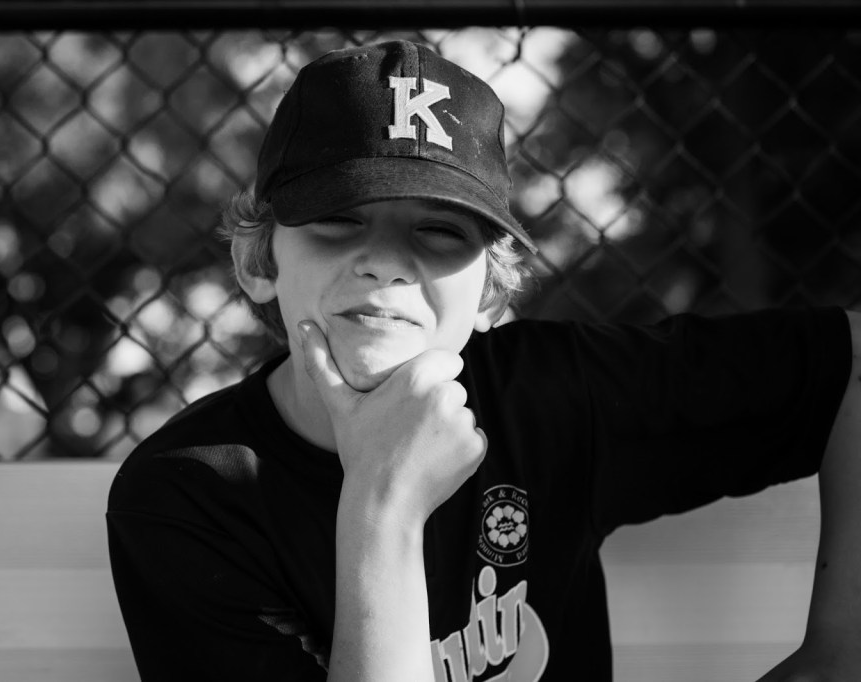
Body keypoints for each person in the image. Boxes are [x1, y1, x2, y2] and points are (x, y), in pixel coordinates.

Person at [106, 40, 861, 681]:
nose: (386, 263)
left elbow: (852, 359)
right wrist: (384, 507)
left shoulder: (554, 394)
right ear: (257, 261)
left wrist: (838, 652)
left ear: (492, 293)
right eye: (338, 218)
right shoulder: (188, 492)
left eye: (439, 232)